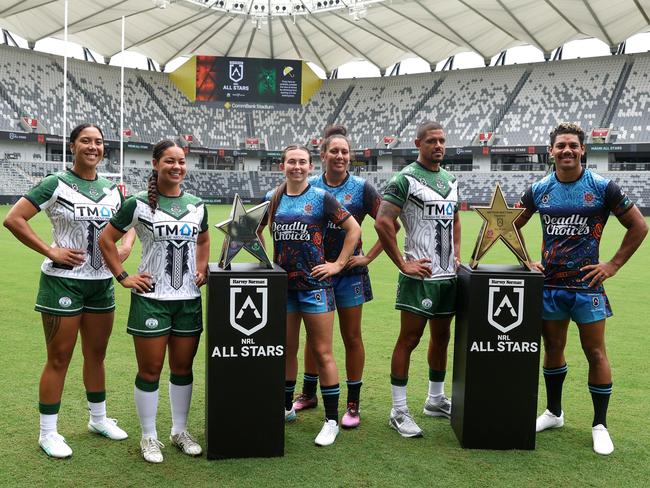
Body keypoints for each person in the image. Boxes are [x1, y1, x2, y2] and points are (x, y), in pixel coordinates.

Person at [515, 122, 647, 455]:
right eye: (561, 145)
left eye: (573, 145)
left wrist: (612, 265)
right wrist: (526, 259)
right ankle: (554, 412)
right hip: (550, 286)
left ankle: (600, 425)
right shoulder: (539, 189)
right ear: (551, 151)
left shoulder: (603, 187)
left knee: (596, 352)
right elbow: (507, 224)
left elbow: (638, 226)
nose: (567, 150)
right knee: (553, 349)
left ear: (582, 149)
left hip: (588, 287)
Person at [3, 123, 134, 458]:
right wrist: (51, 251)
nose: (93, 147)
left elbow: (130, 223)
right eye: (86, 141)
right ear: (73, 146)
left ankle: (99, 419)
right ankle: (48, 432)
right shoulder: (56, 183)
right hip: (63, 282)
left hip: (101, 284)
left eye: (99, 142)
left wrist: (125, 247)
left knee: (97, 355)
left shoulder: (113, 190)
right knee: (59, 357)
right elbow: (15, 219)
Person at [99, 139, 210, 463]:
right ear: (155, 164)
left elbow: (203, 238)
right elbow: (106, 239)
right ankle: (149, 436)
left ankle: (179, 430)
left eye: (181, 161)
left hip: (188, 298)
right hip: (151, 298)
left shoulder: (197, 204)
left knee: (182, 368)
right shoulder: (136, 204)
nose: (177, 167)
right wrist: (123, 276)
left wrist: (202, 267)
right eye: (170, 161)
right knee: (150, 370)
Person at [258, 144, 361, 446]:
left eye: (302, 162)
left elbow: (353, 229)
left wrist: (338, 264)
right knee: (287, 350)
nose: (297, 167)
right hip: (285, 287)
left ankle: (331, 420)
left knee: (322, 351)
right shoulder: (272, 199)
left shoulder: (321, 198)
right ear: (283, 166)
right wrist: (267, 262)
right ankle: (287, 406)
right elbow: (253, 230)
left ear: (310, 165)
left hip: (316, 287)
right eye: (292, 161)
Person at [291, 125, 383, 429]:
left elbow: (387, 224)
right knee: (315, 339)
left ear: (350, 156)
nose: (340, 156)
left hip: (349, 275)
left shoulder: (362, 188)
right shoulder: (311, 185)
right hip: (315, 274)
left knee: (351, 336)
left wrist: (367, 256)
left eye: (345, 152)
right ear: (322, 155)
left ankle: (352, 404)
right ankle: (308, 393)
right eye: (334, 151)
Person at [374, 121, 461, 438]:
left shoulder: (451, 179)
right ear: (418, 143)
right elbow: (383, 223)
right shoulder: (404, 179)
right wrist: (402, 264)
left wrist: (458, 255)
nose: (438, 145)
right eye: (432, 141)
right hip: (420, 275)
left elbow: (455, 221)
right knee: (409, 340)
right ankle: (398, 412)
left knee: (442, 338)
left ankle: (435, 400)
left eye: (442, 141)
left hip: (447, 276)